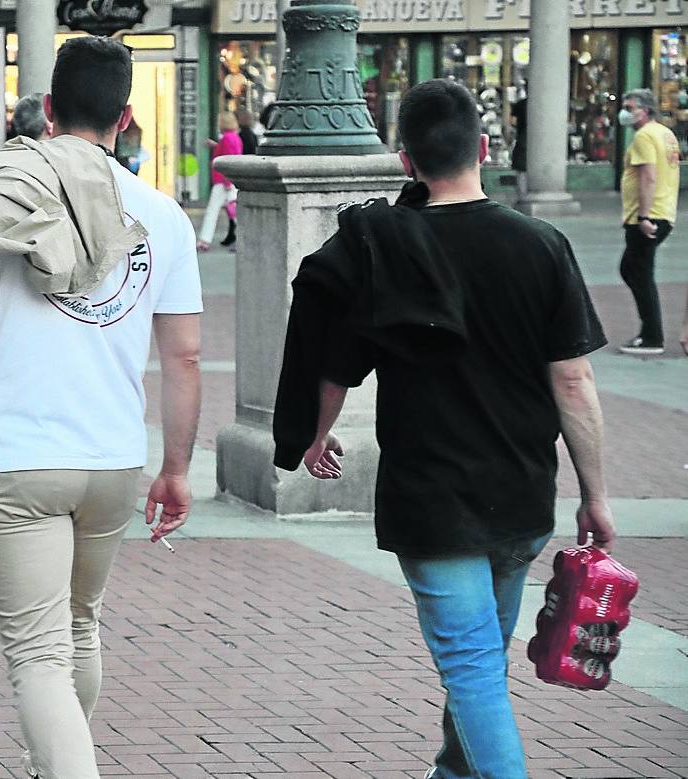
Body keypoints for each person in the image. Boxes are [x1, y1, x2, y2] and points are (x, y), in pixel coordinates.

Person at [273, 79, 615, 779]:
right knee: (479, 661)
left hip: (430, 497)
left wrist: (316, 431)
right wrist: (595, 494)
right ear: (484, 149)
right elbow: (573, 381)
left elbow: (337, 365)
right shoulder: (542, 244)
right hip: (520, 494)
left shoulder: (387, 248)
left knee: (471, 667)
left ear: (405, 162)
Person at [0, 36, 203, 779]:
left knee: (36, 652)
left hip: (21, 456)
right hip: (112, 458)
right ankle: (50, 764)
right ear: (125, 118)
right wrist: (176, 468)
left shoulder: (5, 197)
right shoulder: (163, 218)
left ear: (49, 110)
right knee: (76, 626)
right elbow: (184, 357)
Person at [617, 88, 679, 355]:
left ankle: (652, 336)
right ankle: (650, 331)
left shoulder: (644, 136)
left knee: (638, 272)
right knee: (632, 269)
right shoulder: (666, 134)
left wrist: (643, 216)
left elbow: (648, 176)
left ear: (644, 110)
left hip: (647, 215)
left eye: (629, 108)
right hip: (663, 211)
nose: (624, 112)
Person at [196, 111, 242, 251]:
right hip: (229, 180)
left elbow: (227, 159)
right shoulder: (234, 137)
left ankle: (204, 240)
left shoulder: (226, 138)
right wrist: (216, 146)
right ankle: (240, 239)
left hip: (223, 180)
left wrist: (227, 181)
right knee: (233, 212)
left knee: (213, 210)